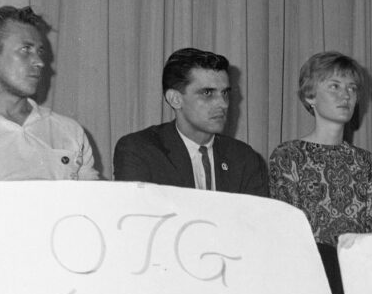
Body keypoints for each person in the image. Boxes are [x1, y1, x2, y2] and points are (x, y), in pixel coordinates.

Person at [268, 52, 372, 243]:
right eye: (334, 86)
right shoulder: (288, 156)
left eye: (352, 88)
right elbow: (286, 234)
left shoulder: (367, 163)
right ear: (310, 96)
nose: (345, 95)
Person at [113, 47, 268, 194]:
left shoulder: (244, 158)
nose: (223, 104)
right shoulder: (139, 150)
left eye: (225, 93)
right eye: (207, 93)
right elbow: (138, 219)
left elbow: (256, 221)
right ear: (175, 99)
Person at [0, 5, 99, 180]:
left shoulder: (69, 131)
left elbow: (93, 202)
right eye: (25, 50)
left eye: (39, 52)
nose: (40, 62)